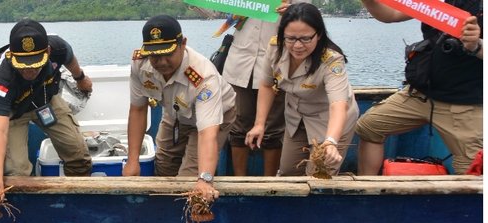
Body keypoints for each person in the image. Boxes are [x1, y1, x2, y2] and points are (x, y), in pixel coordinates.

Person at [356, 0, 482, 175]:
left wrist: (476, 46)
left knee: (473, 168)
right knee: (369, 127)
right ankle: (366, 192)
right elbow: (390, 15)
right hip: (420, 95)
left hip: (462, 104)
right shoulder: (436, 3)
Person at [123, 15, 236, 201]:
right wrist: (132, 160)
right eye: (155, 56)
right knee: (163, 165)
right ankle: (165, 212)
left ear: (182, 44)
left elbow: (207, 132)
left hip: (215, 117)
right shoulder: (139, 63)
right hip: (176, 112)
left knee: (189, 179)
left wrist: (205, 179)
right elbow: (138, 109)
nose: (161, 62)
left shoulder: (203, 76)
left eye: (168, 54)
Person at [0, 19, 93, 199]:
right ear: (12, 57)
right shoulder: (1, 81)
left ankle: (79, 199)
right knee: (16, 172)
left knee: (78, 153)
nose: (29, 71)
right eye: (23, 65)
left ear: (48, 52)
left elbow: (69, 58)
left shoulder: (58, 47)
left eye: (35, 63)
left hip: (46, 100)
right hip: (14, 111)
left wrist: (80, 78)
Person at [245, 3, 359, 176]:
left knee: (318, 175)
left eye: (306, 39)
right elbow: (267, 85)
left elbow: (338, 105)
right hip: (297, 117)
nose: (297, 45)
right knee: (288, 173)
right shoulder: (275, 47)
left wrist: (330, 141)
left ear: (318, 35)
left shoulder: (331, 60)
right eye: (290, 38)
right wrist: (259, 124)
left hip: (328, 121)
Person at [222, 0, 309, 176]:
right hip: (240, 62)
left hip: (279, 61)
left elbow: (308, 17)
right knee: (238, 126)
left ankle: (270, 182)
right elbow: (214, 9)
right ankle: (240, 181)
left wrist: (294, 13)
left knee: (274, 129)